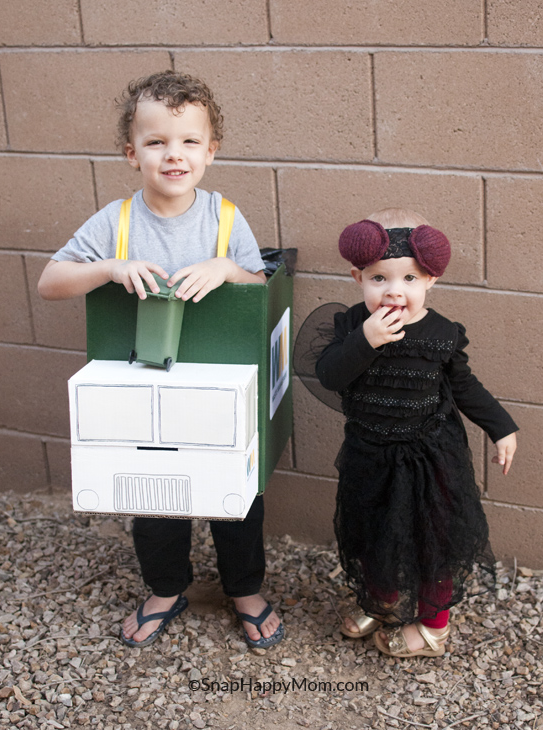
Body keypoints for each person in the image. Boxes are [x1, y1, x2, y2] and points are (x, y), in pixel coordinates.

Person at [38, 70, 283, 650]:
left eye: (189, 141)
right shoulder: (116, 223)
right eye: (156, 142)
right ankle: (166, 588)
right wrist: (109, 268)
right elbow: (51, 282)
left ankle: (244, 588)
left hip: (219, 389)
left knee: (235, 489)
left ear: (210, 151)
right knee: (155, 492)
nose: (174, 155)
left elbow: (260, 284)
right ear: (132, 153)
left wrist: (227, 269)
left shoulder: (224, 217)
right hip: (144, 387)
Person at [315, 207, 518, 658]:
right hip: (369, 452)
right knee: (372, 530)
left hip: (430, 456)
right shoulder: (352, 325)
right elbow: (329, 375)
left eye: (409, 279)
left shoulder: (441, 334)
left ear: (430, 281)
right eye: (379, 279)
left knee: (434, 540)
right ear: (357, 277)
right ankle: (382, 599)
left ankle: (433, 626)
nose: (394, 292)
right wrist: (365, 339)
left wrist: (501, 428)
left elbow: (464, 387)